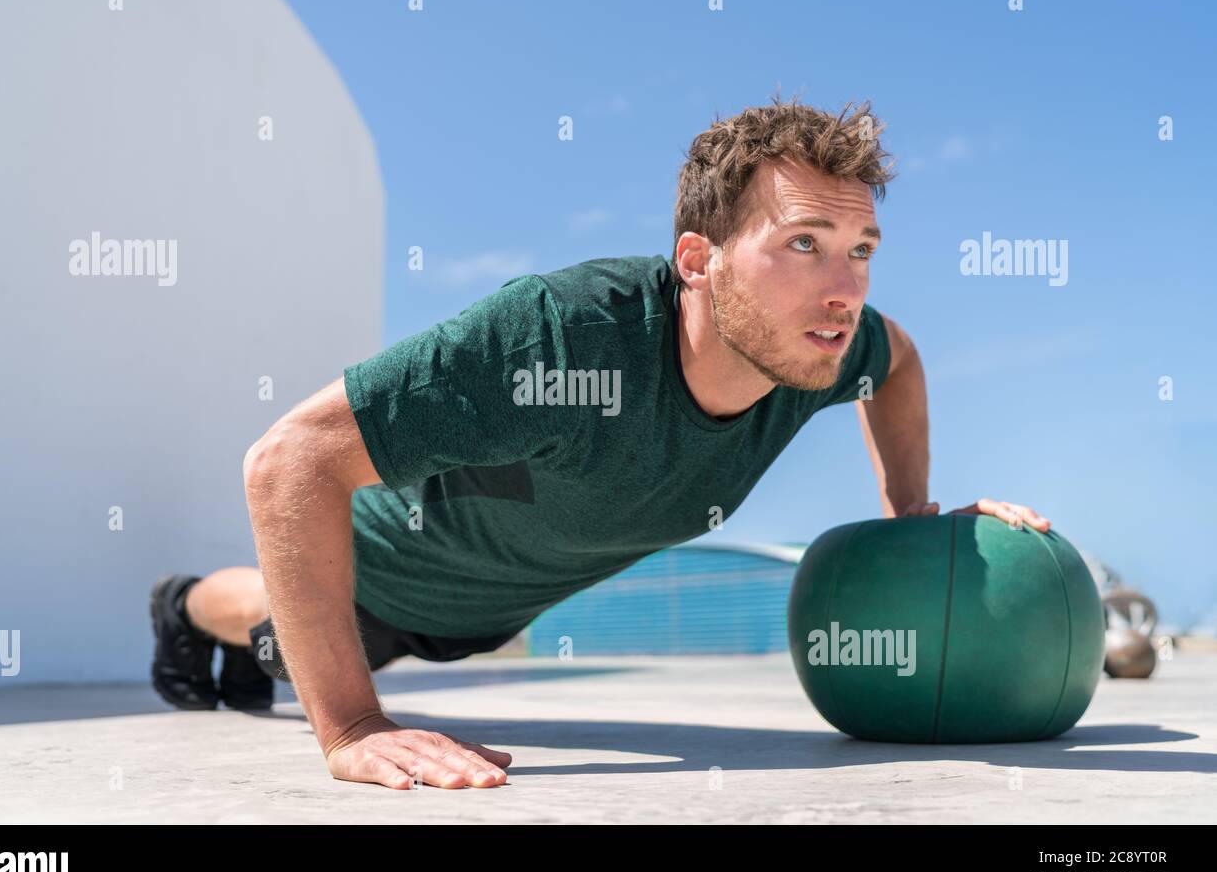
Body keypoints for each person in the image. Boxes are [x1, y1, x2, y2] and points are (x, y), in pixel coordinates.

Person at [150, 95, 1050, 790]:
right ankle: (181, 607)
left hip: (496, 607)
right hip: (382, 567)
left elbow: (898, 364)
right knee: (277, 631)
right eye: (804, 242)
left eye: (860, 248)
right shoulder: (560, 337)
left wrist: (910, 521)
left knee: (307, 647)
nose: (843, 287)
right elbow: (289, 461)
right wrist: (350, 727)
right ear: (697, 261)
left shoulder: (816, 345)